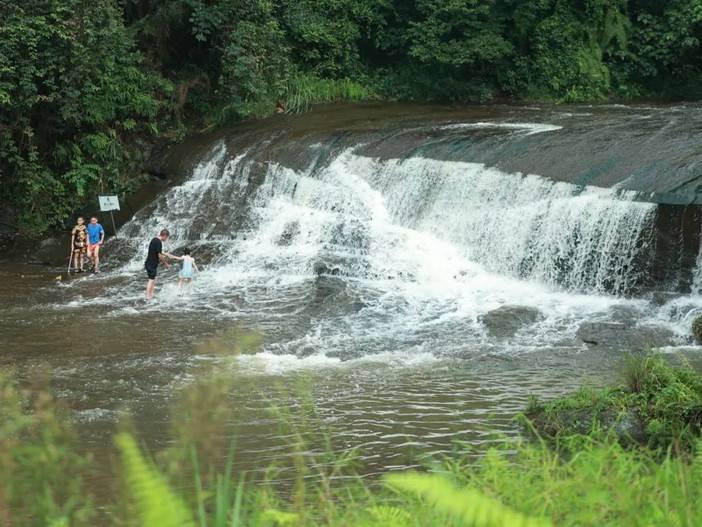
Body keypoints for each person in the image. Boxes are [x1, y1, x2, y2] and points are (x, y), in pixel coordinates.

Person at [144, 229, 175, 300]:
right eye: (167, 238)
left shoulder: (154, 240)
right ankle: (147, 298)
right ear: (165, 236)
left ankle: (151, 296)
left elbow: (157, 251)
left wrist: (166, 254)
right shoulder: (159, 242)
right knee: (151, 280)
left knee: (152, 280)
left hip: (149, 263)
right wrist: (166, 263)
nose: (166, 239)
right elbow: (159, 255)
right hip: (151, 264)